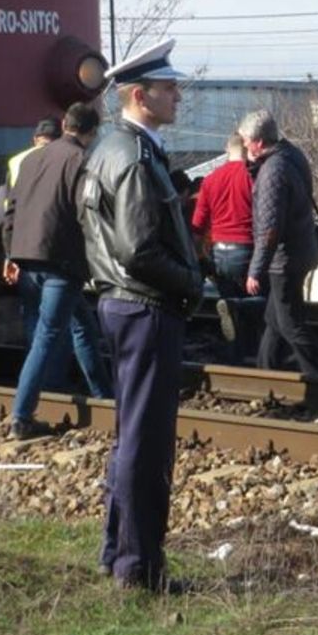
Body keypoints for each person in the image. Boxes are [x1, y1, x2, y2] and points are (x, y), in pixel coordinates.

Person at [79, 38, 202, 592]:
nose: (178, 94)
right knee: (147, 443)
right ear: (138, 95)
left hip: (126, 305)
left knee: (133, 436)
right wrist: (194, 284)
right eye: (168, 88)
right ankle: (140, 569)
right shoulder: (132, 157)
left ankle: (117, 553)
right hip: (145, 305)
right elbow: (138, 250)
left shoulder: (116, 148)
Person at [2, 102, 112, 439]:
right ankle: (21, 416)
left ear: (65, 123)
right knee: (47, 336)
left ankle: (104, 396)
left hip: (26, 257)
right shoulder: (81, 161)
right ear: (93, 132)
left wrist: (9, 253)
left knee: (82, 325)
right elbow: (87, 214)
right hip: (61, 262)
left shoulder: (32, 158)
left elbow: (11, 209)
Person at [238, 109, 318, 375]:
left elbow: (269, 227)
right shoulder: (291, 155)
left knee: (290, 322)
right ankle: (266, 371)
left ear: (257, 142)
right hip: (302, 249)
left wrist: (255, 270)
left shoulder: (272, 172)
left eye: (245, 141)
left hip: (284, 259)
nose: (243, 146)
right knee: (274, 317)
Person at [190, 133, 264, 361]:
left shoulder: (211, 179)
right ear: (247, 148)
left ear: (226, 148)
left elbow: (198, 223)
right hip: (249, 251)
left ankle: (234, 356)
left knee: (231, 313)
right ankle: (254, 355)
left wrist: (198, 255)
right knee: (261, 306)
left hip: (220, 253)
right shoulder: (255, 177)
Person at [0, 116, 62, 226]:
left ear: (35, 139)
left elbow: (0, 215)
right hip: (52, 227)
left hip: (20, 227)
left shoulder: (15, 161)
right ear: (60, 141)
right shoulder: (67, 160)